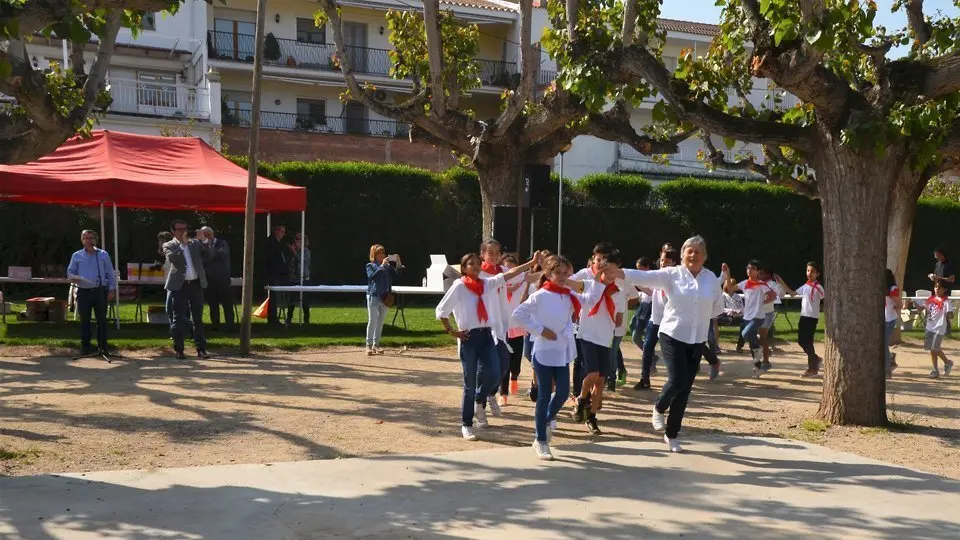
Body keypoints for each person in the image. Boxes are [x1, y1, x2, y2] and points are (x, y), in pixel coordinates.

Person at [612, 235, 725, 453]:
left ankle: (671, 435)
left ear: (705, 256)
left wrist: (699, 318)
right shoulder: (672, 274)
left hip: (697, 339)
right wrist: (619, 272)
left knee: (684, 390)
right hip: (672, 334)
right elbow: (645, 276)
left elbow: (716, 307)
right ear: (682, 254)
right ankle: (659, 406)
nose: (693, 255)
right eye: (689, 251)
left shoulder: (710, 278)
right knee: (677, 380)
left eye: (698, 251)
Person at [436, 251, 540, 441]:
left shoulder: (487, 284)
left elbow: (509, 274)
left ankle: (479, 399)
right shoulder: (459, 287)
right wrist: (452, 331)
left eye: (477, 264)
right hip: (469, 337)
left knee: (495, 372)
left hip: (487, 335)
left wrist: (531, 262)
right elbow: (442, 311)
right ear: (464, 268)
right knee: (469, 383)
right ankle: (466, 424)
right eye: (471, 264)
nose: (475, 267)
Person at [512, 254, 602, 460]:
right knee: (544, 395)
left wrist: (597, 281)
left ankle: (545, 420)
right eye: (558, 273)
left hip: (562, 352)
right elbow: (518, 313)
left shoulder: (569, 294)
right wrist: (540, 329)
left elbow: (590, 301)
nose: (562, 277)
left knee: (562, 393)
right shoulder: (541, 295)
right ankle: (540, 440)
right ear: (549, 273)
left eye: (565, 273)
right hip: (544, 352)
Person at [571, 260, 619, 435]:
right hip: (587, 336)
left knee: (600, 381)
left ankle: (591, 417)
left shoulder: (617, 292)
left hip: (605, 339)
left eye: (613, 273)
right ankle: (582, 399)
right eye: (606, 272)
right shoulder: (589, 285)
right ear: (599, 273)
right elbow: (573, 286)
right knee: (592, 374)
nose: (610, 276)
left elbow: (619, 317)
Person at [163, 220, 212, 360]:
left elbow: (210, 256)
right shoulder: (169, 245)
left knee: (198, 318)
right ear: (173, 231)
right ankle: (179, 350)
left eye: (185, 228)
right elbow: (173, 259)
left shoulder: (195, 243)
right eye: (179, 229)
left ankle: (201, 349)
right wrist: (182, 245)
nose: (183, 231)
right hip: (179, 286)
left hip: (195, 284)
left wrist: (204, 241)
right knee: (178, 318)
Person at [633, 248, 678, 390]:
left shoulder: (676, 278)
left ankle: (675, 381)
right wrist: (630, 279)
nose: (663, 262)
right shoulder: (657, 275)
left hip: (670, 322)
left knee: (672, 352)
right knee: (647, 349)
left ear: (674, 262)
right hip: (655, 319)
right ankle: (644, 379)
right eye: (662, 259)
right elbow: (648, 288)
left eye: (667, 260)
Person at [67, 230, 117, 354]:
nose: (89, 240)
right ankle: (85, 347)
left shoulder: (103, 255)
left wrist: (112, 290)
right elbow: (70, 272)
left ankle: (103, 347)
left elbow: (110, 274)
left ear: (96, 240)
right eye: (86, 238)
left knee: (102, 321)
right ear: (82, 240)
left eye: (91, 238)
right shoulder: (76, 255)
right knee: (85, 321)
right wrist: (74, 277)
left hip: (100, 291)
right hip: (84, 292)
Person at [773, 262, 824, 377]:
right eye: (808, 271)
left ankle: (812, 369)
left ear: (817, 274)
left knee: (808, 342)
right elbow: (791, 293)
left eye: (812, 271)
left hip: (812, 318)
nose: (809, 273)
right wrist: (781, 281)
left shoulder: (819, 288)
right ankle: (815, 358)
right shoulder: (805, 286)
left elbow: (824, 298)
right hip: (803, 316)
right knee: (801, 341)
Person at [733, 260, 777, 376]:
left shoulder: (761, 284)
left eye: (752, 268)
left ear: (758, 271)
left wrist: (764, 301)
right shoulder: (744, 283)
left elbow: (773, 295)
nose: (749, 270)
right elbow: (730, 289)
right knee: (752, 344)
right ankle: (758, 367)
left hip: (758, 317)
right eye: (748, 268)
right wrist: (727, 275)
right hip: (747, 317)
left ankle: (760, 348)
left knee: (745, 334)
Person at [607, 250, 639, 391]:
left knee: (612, 352)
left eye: (613, 266)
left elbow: (634, 297)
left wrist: (624, 307)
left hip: (618, 326)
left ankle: (611, 381)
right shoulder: (600, 280)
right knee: (607, 353)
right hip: (603, 324)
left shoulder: (625, 281)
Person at [499, 254, 527, 405]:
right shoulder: (497, 285)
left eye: (513, 269)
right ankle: (503, 393)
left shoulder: (523, 284)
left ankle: (514, 377)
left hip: (516, 328)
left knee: (515, 363)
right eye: (506, 269)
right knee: (504, 362)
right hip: (503, 330)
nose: (510, 272)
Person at [914, 280, 955, 378]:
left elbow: (951, 315)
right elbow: (921, 309)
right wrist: (914, 303)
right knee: (932, 349)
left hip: (939, 327)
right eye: (935, 287)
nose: (937, 289)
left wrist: (949, 313)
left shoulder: (946, 301)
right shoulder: (931, 299)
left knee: (934, 348)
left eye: (939, 288)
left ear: (944, 290)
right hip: (929, 327)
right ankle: (943, 365)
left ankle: (940, 367)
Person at [365, 244, 400, 355]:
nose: (382, 255)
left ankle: (376, 345)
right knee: (372, 321)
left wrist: (398, 262)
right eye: (379, 253)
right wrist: (382, 266)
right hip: (374, 296)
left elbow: (398, 274)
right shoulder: (370, 265)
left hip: (385, 297)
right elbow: (372, 277)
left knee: (380, 322)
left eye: (383, 253)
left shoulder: (387, 266)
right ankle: (368, 346)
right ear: (374, 255)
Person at [199, 226, 233, 331]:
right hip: (209, 279)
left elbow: (221, 255)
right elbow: (201, 259)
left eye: (208, 235)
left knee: (227, 304)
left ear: (212, 234)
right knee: (212, 304)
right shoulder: (200, 246)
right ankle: (215, 326)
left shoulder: (222, 244)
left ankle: (230, 326)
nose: (207, 237)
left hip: (222, 278)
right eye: (204, 235)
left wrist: (209, 248)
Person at [629, 256, 655, 352]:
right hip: (643, 306)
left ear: (647, 267)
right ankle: (650, 353)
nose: (638, 271)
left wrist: (636, 283)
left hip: (650, 307)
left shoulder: (653, 277)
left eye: (640, 268)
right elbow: (643, 294)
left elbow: (650, 293)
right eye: (637, 268)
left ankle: (650, 354)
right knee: (632, 325)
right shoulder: (643, 278)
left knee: (638, 336)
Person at [265, 224, 289, 327]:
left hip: (277, 273)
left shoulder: (278, 243)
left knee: (275, 297)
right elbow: (270, 258)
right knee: (273, 297)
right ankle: (272, 320)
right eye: (282, 231)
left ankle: (274, 319)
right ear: (276, 231)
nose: (283, 234)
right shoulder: (271, 242)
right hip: (273, 273)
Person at [286, 233, 312, 327]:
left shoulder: (306, 251)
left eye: (298, 239)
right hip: (293, 278)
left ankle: (306, 320)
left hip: (304, 278)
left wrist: (294, 252)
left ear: (303, 241)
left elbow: (301, 261)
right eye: (295, 239)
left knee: (305, 301)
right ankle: (289, 319)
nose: (295, 241)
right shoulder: (293, 251)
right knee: (291, 300)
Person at [930, 248, 955, 332]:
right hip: (937, 288)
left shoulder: (949, 264)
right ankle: (941, 328)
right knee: (938, 310)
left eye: (937, 256)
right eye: (935, 256)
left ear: (942, 255)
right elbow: (936, 276)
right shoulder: (937, 264)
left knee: (944, 309)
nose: (936, 258)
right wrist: (932, 277)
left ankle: (947, 329)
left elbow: (952, 279)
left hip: (945, 289)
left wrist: (940, 278)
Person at [884, 269, 903, 377]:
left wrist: (893, 307)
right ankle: (890, 357)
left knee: (884, 343)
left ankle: (887, 369)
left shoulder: (892, 288)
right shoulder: (880, 287)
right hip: (882, 318)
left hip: (889, 319)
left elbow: (899, 304)